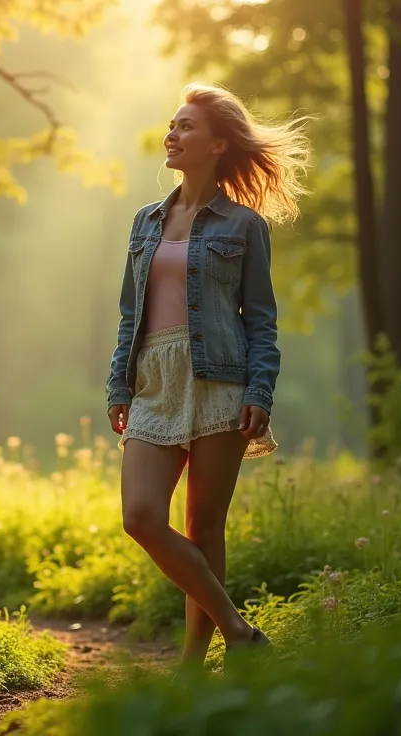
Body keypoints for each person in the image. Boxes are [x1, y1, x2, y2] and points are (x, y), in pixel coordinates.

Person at [106, 82, 310, 661]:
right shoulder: (145, 221)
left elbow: (263, 320)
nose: (173, 135)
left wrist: (260, 390)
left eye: (187, 127)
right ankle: (240, 633)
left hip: (220, 380)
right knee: (141, 517)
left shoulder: (244, 226)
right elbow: (130, 313)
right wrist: (119, 382)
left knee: (204, 527)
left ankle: (195, 666)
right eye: (172, 125)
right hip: (153, 380)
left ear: (219, 144)